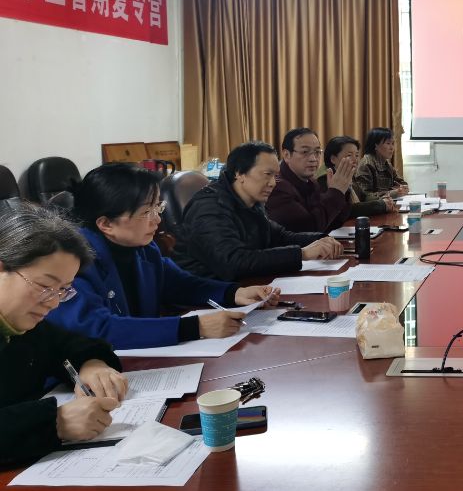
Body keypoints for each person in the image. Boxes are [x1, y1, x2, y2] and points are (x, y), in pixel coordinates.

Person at [45, 163, 279, 350]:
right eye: (146, 212)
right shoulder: (72, 263)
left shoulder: (142, 247)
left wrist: (234, 293)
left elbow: (179, 284)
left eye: (158, 207)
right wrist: (193, 327)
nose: (157, 219)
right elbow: (98, 329)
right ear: (106, 224)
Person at [0, 205, 128, 466]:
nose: (54, 302)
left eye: (63, 290)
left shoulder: (18, 324)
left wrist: (93, 364)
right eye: (45, 286)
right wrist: (55, 422)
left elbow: (68, 344)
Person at [172, 141, 343, 281]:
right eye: (267, 174)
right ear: (239, 173)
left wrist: (321, 240)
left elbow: (280, 237)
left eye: (275, 176)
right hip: (209, 298)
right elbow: (233, 262)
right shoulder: (209, 208)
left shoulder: (251, 201)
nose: (273, 183)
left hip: (246, 287)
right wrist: (302, 254)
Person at [266, 127, 357, 233]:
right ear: (287, 155)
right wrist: (335, 192)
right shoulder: (277, 186)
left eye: (317, 152)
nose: (313, 159)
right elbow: (307, 228)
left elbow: (332, 223)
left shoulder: (312, 182)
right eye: (305, 152)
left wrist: (343, 191)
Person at [325, 136, 397, 222]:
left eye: (356, 155)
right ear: (333, 159)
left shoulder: (350, 176)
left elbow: (364, 197)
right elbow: (347, 210)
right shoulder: (327, 179)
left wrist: (383, 199)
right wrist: (381, 205)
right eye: (349, 155)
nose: (355, 160)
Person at [354, 127, 409, 201]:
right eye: (388, 143)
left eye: (393, 144)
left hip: (388, 204)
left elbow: (400, 182)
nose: (392, 148)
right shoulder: (366, 164)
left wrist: (403, 187)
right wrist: (392, 193)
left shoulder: (387, 163)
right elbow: (365, 196)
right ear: (375, 145)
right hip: (374, 207)